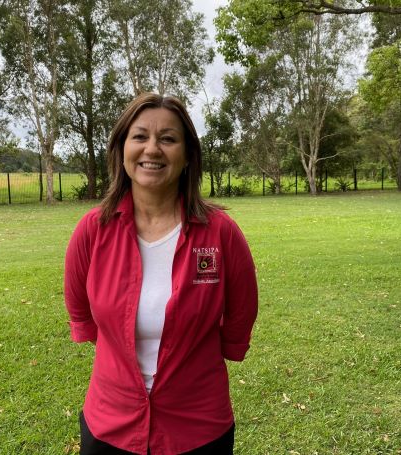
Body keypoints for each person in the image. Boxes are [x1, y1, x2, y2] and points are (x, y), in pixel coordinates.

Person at [64, 93, 258, 455]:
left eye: (168, 139)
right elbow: (81, 312)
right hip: (110, 424)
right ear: (122, 149)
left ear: (187, 157)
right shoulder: (91, 230)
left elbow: (241, 310)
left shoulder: (220, 233)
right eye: (139, 137)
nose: (152, 149)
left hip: (199, 426)